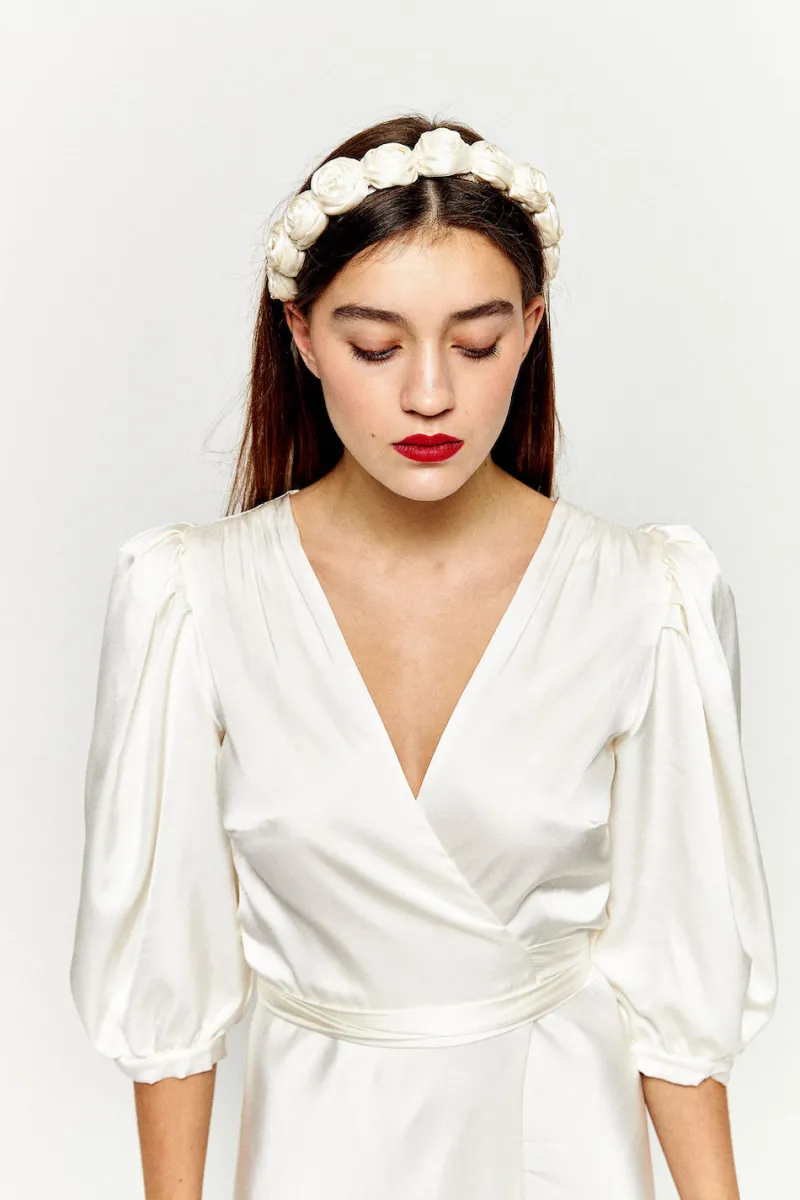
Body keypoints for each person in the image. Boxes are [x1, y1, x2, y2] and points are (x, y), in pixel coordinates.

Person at [69, 113, 778, 1200]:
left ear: (529, 330)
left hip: (560, 1146)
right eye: (375, 346)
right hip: (314, 1154)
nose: (430, 395)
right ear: (303, 336)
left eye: (477, 343)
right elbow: (167, 991)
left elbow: (677, 990)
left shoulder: (644, 599)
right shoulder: (196, 600)